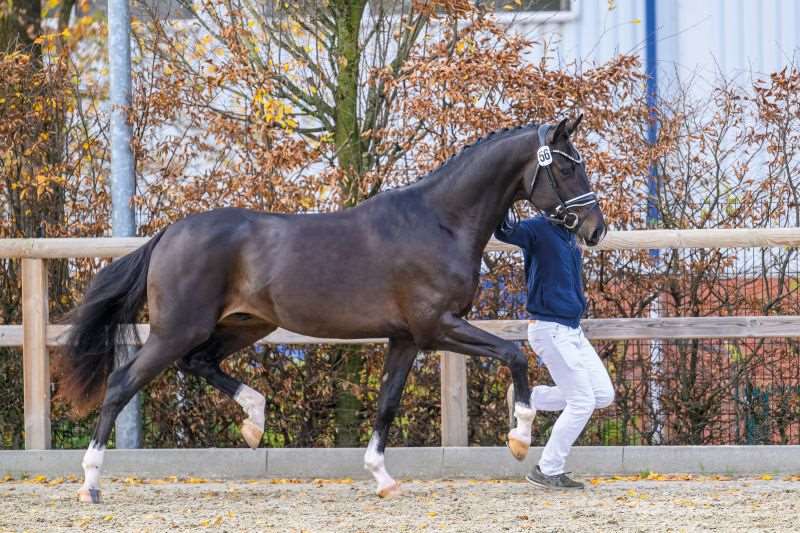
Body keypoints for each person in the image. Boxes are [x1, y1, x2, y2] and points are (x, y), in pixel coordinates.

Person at [495, 213, 614, 490]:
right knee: (582, 402)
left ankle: (528, 398)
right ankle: (548, 470)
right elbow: (504, 231)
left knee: (602, 395)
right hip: (550, 328)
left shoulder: (571, 231)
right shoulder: (537, 228)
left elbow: (596, 229)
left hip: (572, 330)